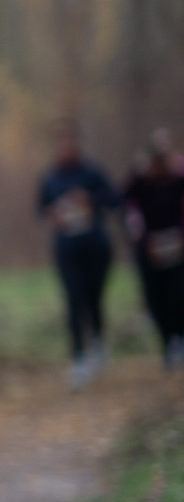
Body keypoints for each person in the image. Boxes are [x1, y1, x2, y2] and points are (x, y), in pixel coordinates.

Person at [36, 120, 119, 387]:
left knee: (93, 297)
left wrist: (90, 200)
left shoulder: (92, 173)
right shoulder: (50, 178)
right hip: (67, 249)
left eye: (70, 142)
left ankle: (97, 341)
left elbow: (114, 200)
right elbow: (41, 210)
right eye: (61, 143)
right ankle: (78, 357)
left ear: (77, 144)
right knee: (73, 300)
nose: (65, 148)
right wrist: (54, 215)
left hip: (95, 247)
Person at [122, 133, 184, 366]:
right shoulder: (141, 184)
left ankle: (179, 337)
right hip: (151, 250)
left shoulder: (177, 179)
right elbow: (124, 201)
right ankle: (167, 343)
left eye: (163, 158)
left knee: (178, 295)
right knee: (156, 299)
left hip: (177, 248)